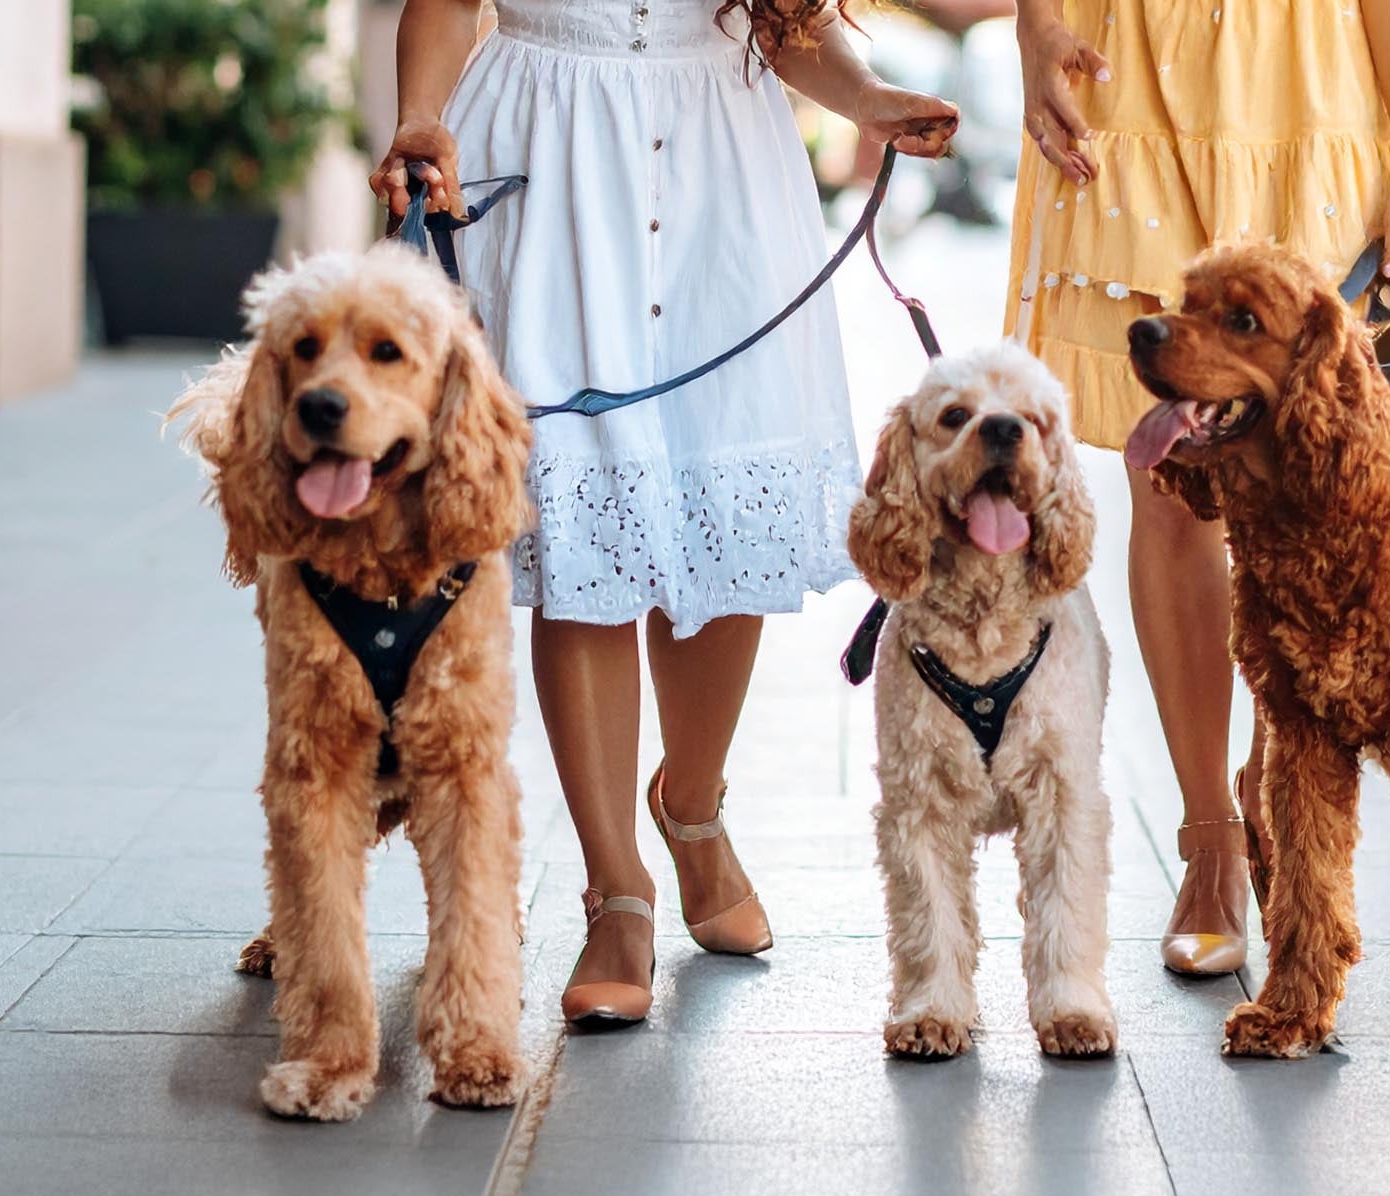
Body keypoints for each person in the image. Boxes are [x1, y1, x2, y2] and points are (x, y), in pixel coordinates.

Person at [371, 0, 956, 1024]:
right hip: (547, 153)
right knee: (584, 519)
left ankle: (692, 807)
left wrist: (869, 101)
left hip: (721, 167)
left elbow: (790, 23)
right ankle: (617, 892)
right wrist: (422, 115)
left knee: (724, 519)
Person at [1006, 0, 1390, 975]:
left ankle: (1276, 799)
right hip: (1125, 80)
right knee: (1170, 473)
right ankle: (1211, 838)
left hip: (1307, 87)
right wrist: (1034, 26)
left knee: (1311, 474)